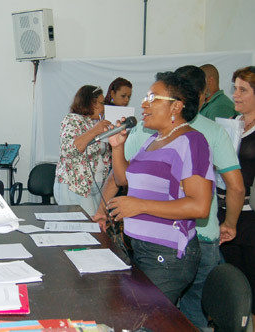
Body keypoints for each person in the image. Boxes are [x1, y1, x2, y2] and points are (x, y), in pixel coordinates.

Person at [106, 71, 215, 304]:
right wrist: (117, 148)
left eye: (153, 97)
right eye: (145, 97)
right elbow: (124, 179)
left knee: (144, 321)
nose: (144, 104)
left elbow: (200, 206)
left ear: (176, 107)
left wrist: (140, 206)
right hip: (142, 249)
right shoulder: (153, 140)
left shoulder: (192, 142)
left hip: (166, 255)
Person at [219, 66, 255, 322]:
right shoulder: (231, 124)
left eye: (243, 90)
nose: (236, 95)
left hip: (251, 218)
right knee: (234, 282)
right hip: (226, 213)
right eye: (235, 88)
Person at [54, 85, 112, 215]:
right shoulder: (72, 120)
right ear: (90, 103)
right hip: (75, 186)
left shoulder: (96, 123)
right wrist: (95, 131)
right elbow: (69, 150)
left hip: (96, 185)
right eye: (101, 103)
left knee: (96, 224)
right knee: (86, 228)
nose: (104, 108)